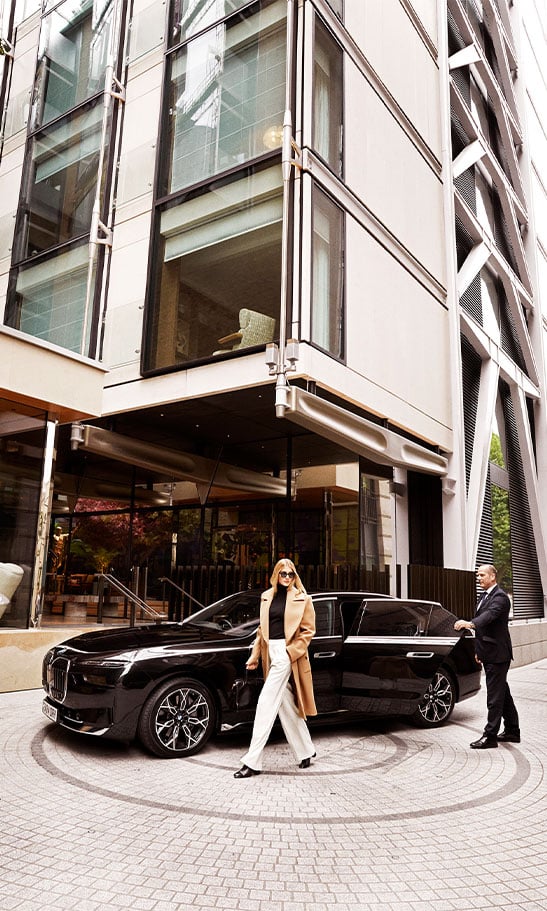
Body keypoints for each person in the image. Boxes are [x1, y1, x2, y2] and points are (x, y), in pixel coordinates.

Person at [234, 558, 317, 778]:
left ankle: (252, 761)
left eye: (291, 574)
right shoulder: (267, 597)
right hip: (270, 654)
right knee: (285, 704)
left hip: (286, 655)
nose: (287, 577)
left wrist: (290, 653)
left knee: (265, 703)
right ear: (276, 575)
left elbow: (308, 632)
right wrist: (255, 656)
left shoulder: (303, 599)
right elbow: (263, 631)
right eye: (283, 574)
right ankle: (306, 750)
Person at [454, 563, 520, 749]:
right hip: (489, 653)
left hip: (498, 655)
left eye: (482, 575)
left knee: (494, 697)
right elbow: (486, 629)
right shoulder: (484, 596)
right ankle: (513, 731)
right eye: (478, 575)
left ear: (493, 576)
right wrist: (479, 651)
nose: (479, 578)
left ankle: (490, 736)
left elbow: (489, 617)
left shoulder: (500, 598)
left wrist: (469, 623)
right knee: (502, 694)